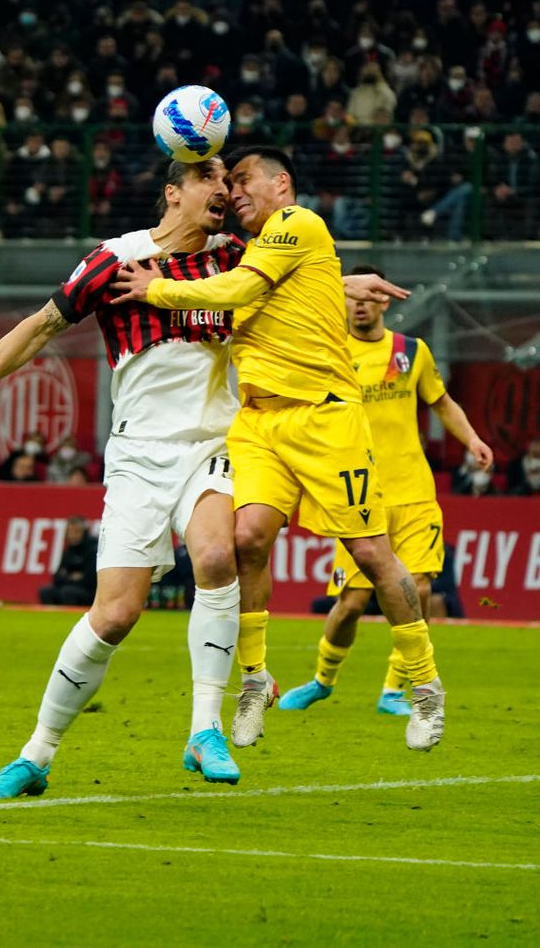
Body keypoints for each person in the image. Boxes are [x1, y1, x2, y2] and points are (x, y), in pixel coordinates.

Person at [0, 156, 246, 796]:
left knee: (215, 553)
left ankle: (205, 728)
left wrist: (351, 287)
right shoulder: (114, 259)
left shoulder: (238, 256)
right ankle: (36, 757)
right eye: (209, 179)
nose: (224, 190)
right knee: (115, 615)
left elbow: (304, 283)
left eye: (228, 180)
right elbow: (40, 326)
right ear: (172, 193)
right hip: (138, 455)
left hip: (217, 441)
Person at [115, 145, 446, 754]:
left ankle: (424, 686)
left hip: (325, 419)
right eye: (226, 182)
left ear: (281, 183)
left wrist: (157, 289)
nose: (233, 191)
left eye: (243, 180)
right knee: (245, 541)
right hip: (258, 422)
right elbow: (272, 280)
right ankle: (254, 678)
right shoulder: (261, 248)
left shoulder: (300, 224)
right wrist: (347, 279)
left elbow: (238, 288)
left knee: (371, 553)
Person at [278, 263, 493, 716]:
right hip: (356, 495)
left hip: (413, 493)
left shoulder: (412, 353)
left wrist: (471, 438)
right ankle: (323, 679)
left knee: (418, 587)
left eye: (368, 296)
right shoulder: (329, 354)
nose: (358, 304)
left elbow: (442, 402)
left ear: (385, 300)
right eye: (352, 296)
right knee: (352, 603)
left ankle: (395, 689)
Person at [39, 516, 98, 607]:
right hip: (69, 586)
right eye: (70, 532)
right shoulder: (69, 551)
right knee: (45, 591)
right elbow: (57, 576)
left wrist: (68, 578)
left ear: (84, 532)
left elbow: (90, 579)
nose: (73, 535)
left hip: (89, 592)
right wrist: (71, 578)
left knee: (68, 592)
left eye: (76, 531)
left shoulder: (93, 549)